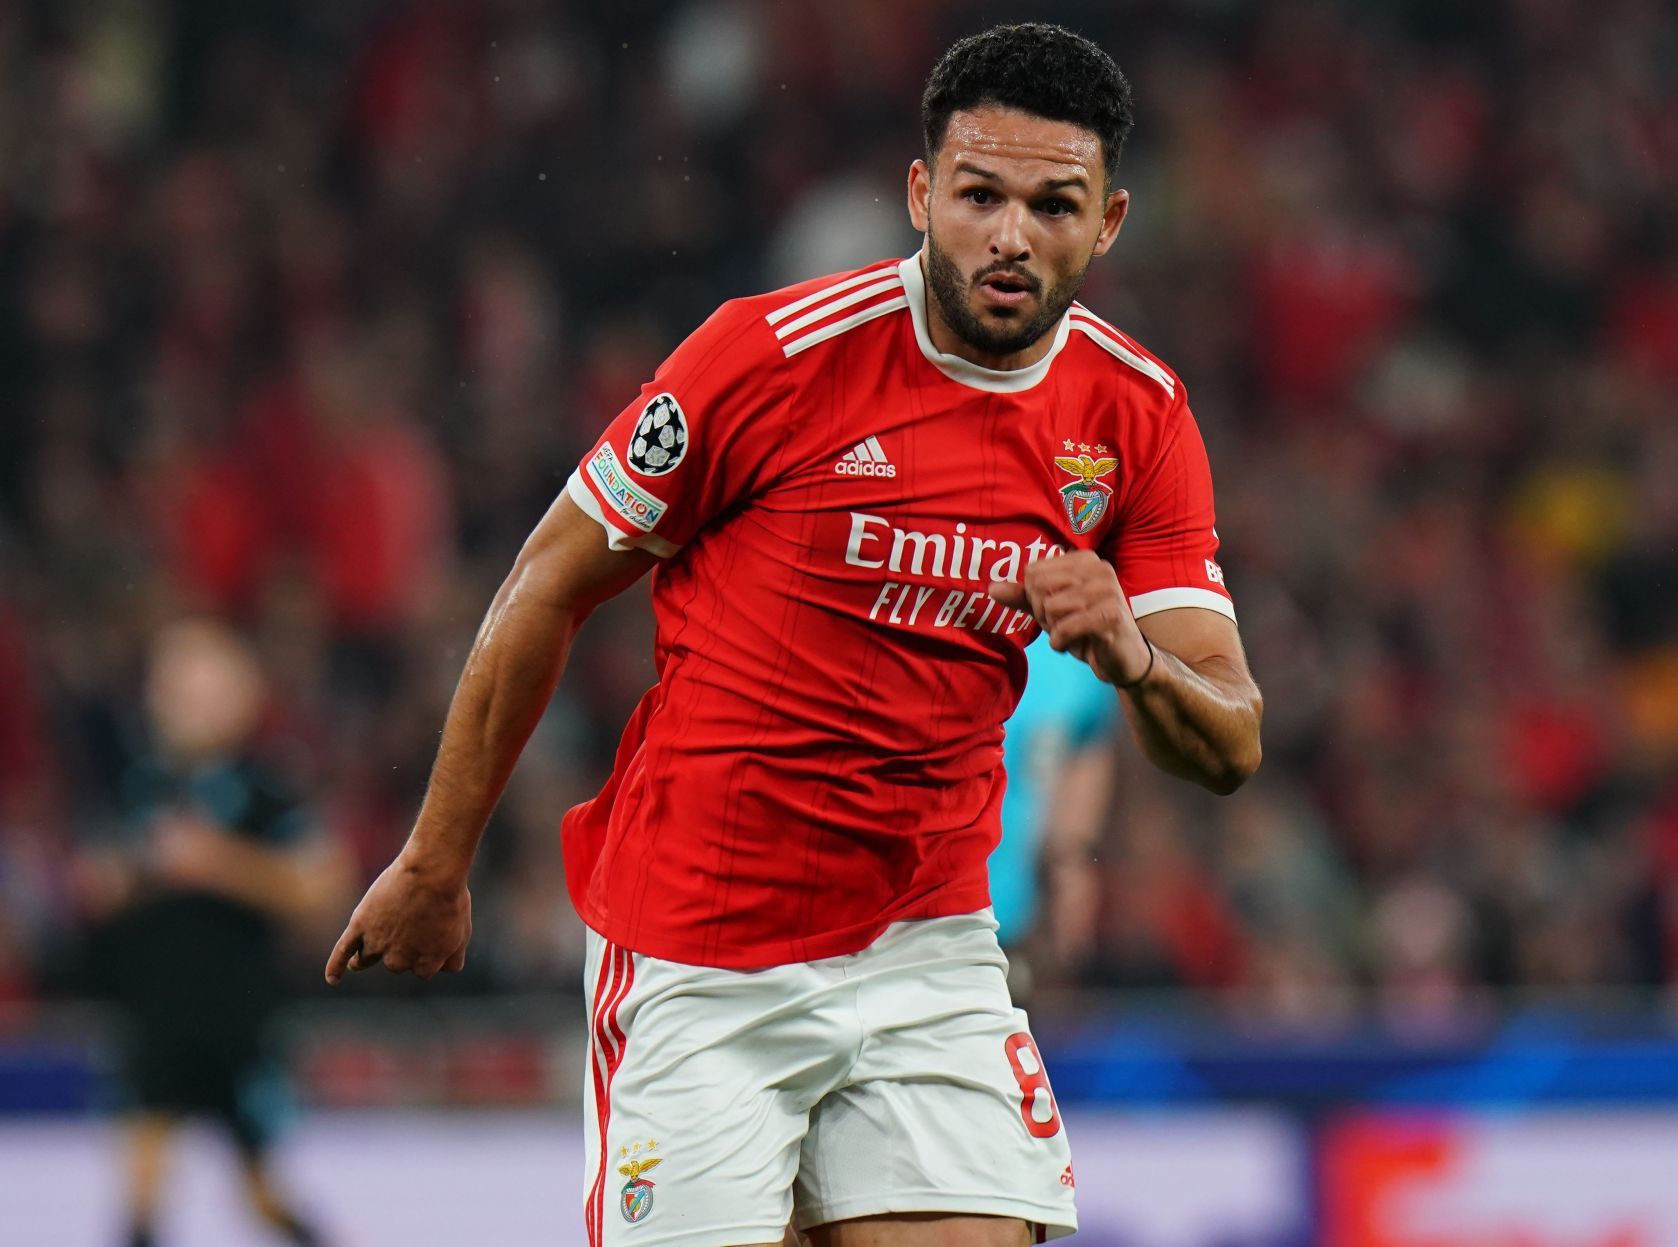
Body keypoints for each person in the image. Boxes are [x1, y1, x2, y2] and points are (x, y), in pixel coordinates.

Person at [327, 23, 1262, 1247]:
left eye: (1053, 204)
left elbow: (1230, 736)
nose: (1011, 235)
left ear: (1111, 221)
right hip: (703, 944)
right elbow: (545, 583)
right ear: (921, 192)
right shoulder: (766, 359)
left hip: (928, 941)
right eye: (979, 194)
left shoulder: (1135, 415)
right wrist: (435, 860)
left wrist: (1132, 657)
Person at [80, 619, 349, 1247]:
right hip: (154, 1014)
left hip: (239, 1018)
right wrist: (131, 875)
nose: (189, 706)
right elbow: (93, 884)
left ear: (242, 698)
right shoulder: (137, 785)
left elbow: (322, 884)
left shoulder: (267, 788)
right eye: (176, 690)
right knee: (140, 1196)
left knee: (262, 1196)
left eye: (206, 691)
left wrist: (219, 864)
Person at [991, 640, 1118, 990]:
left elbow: (1086, 739)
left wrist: (1070, 855)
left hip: (1011, 915)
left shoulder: (1071, 637)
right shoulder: (930, 608)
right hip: (902, 912)